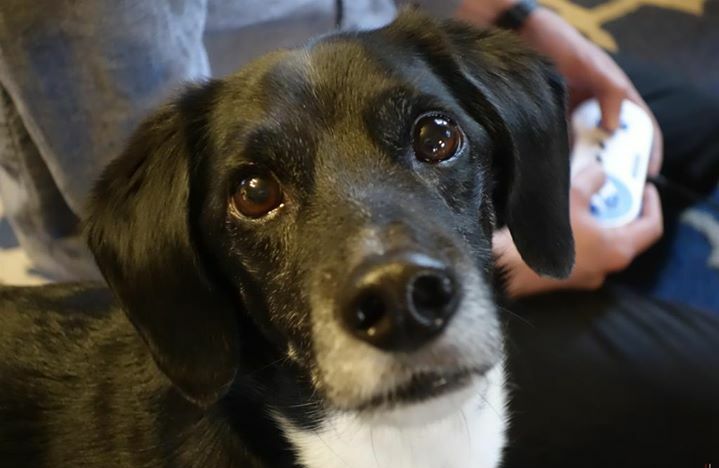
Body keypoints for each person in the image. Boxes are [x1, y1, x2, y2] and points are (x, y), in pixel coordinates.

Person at [0, 0, 666, 288]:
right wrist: (518, 259)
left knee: (685, 123)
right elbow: (168, 214)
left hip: (387, 79)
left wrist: (519, 19)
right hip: (242, 281)